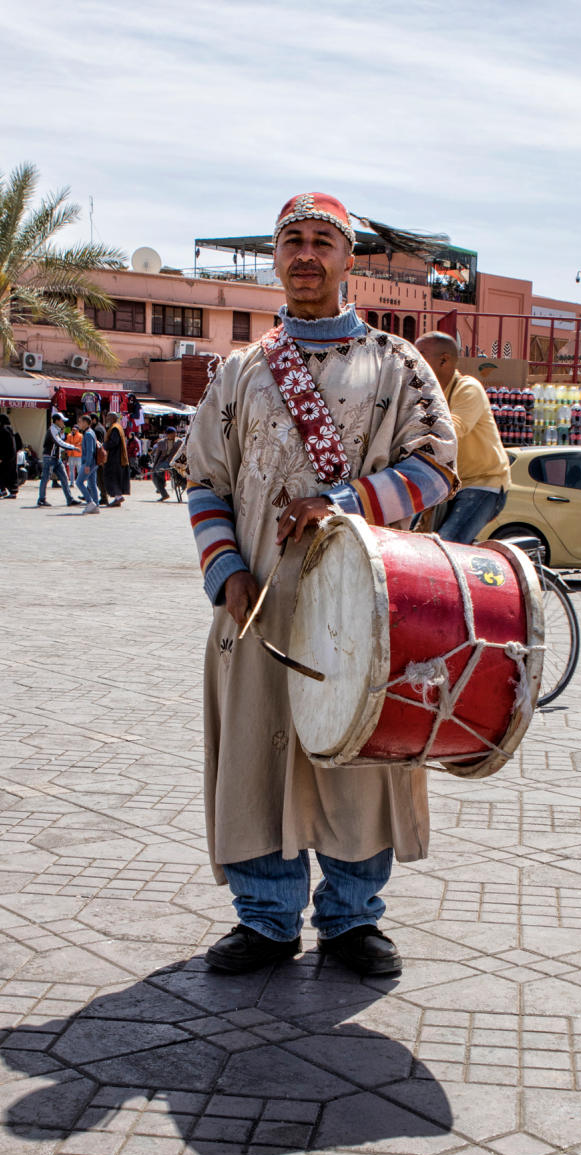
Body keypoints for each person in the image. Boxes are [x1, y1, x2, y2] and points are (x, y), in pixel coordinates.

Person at [184, 192, 458, 976]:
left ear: (346, 259)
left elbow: (438, 470)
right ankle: (265, 921)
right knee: (256, 760)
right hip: (259, 603)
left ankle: (350, 920)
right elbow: (202, 480)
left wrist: (344, 502)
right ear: (276, 257)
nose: (305, 254)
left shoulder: (398, 365)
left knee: (357, 764)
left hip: (365, 608)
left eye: (321, 242)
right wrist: (225, 571)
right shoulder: (238, 370)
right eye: (291, 241)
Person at [415, 332, 510, 543]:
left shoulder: (468, 388)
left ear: (444, 360)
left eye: (420, 354)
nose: (413, 361)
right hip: (445, 485)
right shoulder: (426, 393)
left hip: (482, 483)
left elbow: (453, 429)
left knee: (448, 544)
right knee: (410, 540)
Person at [37, 413, 81, 507]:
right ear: (57, 421)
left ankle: (70, 499)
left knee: (64, 478)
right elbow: (59, 442)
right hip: (49, 458)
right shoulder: (52, 430)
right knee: (45, 478)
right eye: (62, 421)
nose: (63, 423)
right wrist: (72, 447)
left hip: (56, 458)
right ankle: (41, 499)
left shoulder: (57, 430)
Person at [74, 414, 100, 513]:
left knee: (79, 482)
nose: (78, 424)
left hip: (89, 462)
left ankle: (90, 502)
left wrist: (88, 465)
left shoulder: (88, 434)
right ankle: (96, 505)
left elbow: (90, 451)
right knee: (92, 483)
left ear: (85, 423)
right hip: (94, 462)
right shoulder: (91, 432)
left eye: (80, 422)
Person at [102, 412, 128, 508]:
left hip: (115, 457)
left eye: (109, 417)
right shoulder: (117, 427)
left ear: (113, 418)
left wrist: (104, 445)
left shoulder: (115, 428)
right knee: (114, 478)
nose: (107, 419)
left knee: (112, 477)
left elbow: (114, 442)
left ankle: (118, 497)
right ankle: (117, 497)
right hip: (116, 457)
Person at [151, 426, 183, 501]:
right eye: (172, 434)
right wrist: (154, 466)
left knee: (160, 469)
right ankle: (164, 494)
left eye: (174, 433)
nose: (174, 435)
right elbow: (157, 456)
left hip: (174, 461)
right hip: (163, 461)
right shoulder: (161, 443)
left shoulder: (179, 442)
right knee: (154, 474)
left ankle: (163, 483)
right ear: (167, 434)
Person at [0, 413, 19, 498]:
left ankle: (5, 490)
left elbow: (4, 445)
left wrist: (2, 457)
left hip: (5, 457)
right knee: (9, 473)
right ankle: (9, 491)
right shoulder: (10, 429)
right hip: (12, 456)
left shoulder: (4, 430)